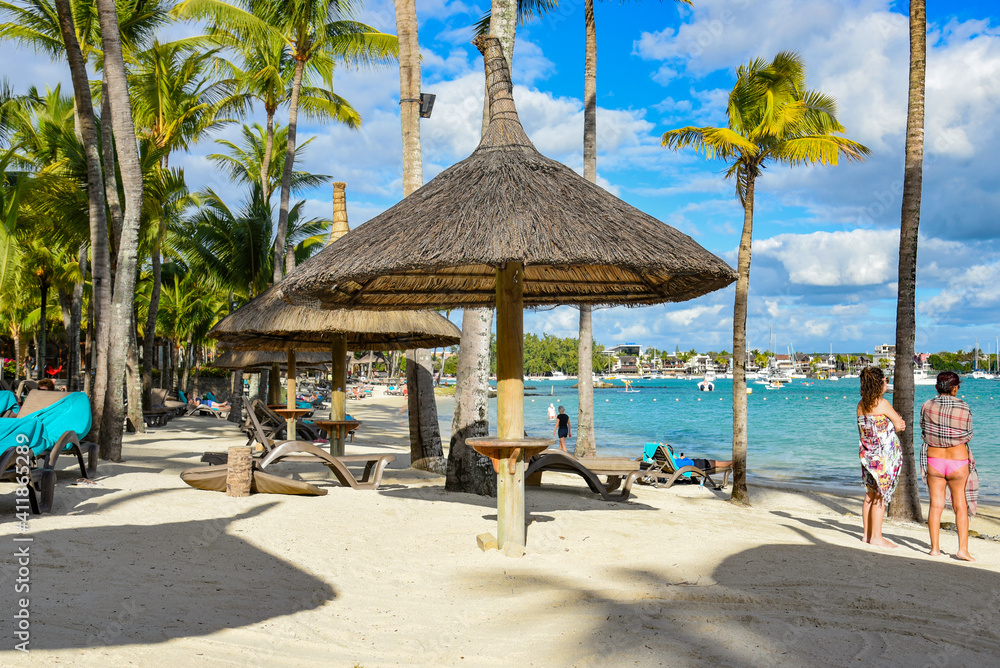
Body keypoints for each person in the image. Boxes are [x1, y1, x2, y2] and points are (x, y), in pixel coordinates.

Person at [921, 371, 977, 561]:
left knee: (936, 506)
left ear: (937, 387)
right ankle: (962, 550)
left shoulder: (927, 405)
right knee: (960, 506)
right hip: (958, 461)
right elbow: (969, 434)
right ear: (955, 388)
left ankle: (934, 549)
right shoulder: (964, 406)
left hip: (934, 460)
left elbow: (923, 429)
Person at [856, 366, 905, 548]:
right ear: (879, 383)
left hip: (867, 455)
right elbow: (899, 425)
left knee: (869, 495)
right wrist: (899, 422)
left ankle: (867, 535)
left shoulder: (861, 405)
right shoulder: (882, 404)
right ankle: (877, 537)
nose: (887, 383)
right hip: (882, 457)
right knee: (880, 496)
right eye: (885, 380)